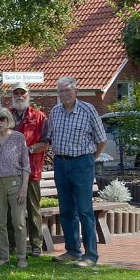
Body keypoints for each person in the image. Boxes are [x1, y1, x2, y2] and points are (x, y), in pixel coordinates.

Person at [43, 76, 107, 268]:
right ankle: (72, 250)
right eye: (61, 91)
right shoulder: (55, 112)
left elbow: (101, 139)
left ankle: (90, 255)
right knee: (67, 210)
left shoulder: (88, 110)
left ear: (75, 91)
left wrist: (90, 159)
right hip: (61, 164)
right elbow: (50, 139)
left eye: (67, 90)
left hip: (82, 164)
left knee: (85, 210)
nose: (64, 94)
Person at [0, 108, 31, 268]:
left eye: (2, 119)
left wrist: (24, 187)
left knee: (18, 222)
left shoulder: (18, 138)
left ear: (8, 120)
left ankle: (21, 257)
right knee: (0, 222)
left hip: (15, 183)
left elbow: (26, 165)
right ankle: (4, 256)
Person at [9, 82, 50, 256]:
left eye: (22, 93)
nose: (19, 95)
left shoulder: (39, 116)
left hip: (31, 171)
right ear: (12, 96)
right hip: (9, 171)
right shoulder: (5, 115)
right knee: (11, 209)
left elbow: (46, 142)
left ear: (28, 95)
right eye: (16, 93)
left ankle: (35, 244)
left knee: (33, 209)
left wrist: (29, 149)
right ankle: (12, 245)